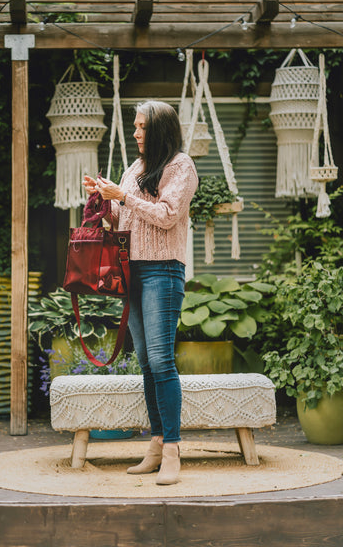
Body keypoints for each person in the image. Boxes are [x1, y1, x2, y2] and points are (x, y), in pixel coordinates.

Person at [83, 100, 198, 485]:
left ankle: (172, 450)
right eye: (134, 126)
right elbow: (126, 218)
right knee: (147, 361)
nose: (135, 132)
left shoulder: (181, 165)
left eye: (142, 126)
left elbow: (166, 216)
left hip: (163, 271)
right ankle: (155, 443)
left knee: (163, 360)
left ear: (161, 129)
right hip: (133, 272)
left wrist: (123, 196)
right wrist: (105, 201)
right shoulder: (135, 168)